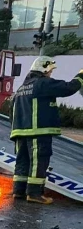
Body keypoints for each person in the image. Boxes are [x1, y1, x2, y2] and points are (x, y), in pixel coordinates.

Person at [10, 56, 83, 204]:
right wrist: (81, 75)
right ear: (43, 69)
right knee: (39, 161)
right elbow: (68, 88)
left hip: (19, 132)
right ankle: (34, 194)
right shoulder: (42, 83)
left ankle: (19, 191)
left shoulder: (22, 87)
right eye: (49, 70)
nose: (50, 74)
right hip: (38, 131)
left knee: (22, 161)